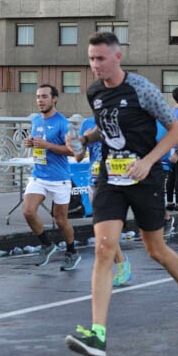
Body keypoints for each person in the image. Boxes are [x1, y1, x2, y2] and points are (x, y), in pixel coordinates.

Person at [65, 32, 178, 356]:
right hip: (110, 176)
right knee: (103, 249)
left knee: (155, 249)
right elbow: (107, 126)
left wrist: (148, 161)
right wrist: (85, 141)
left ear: (118, 57)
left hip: (145, 176)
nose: (95, 65)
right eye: (91, 59)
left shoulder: (141, 89)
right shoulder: (94, 91)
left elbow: (175, 132)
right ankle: (98, 334)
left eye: (101, 58)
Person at [23, 84, 78, 270]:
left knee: (60, 221)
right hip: (39, 175)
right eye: (38, 96)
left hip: (59, 178)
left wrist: (47, 145)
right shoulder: (36, 121)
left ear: (54, 99)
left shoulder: (64, 123)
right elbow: (38, 142)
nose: (40, 100)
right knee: (28, 212)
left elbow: (72, 151)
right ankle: (47, 245)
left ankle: (72, 251)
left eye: (44, 96)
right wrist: (30, 143)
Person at [75, 115, 132, 288]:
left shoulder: (121, 120)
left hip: (114, 181)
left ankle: (121, 264)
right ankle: (121, 263)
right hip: (94, 180)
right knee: (102, 229)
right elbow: (78, 157)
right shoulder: (87, 123)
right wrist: (84, 140)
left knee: (106, 227)